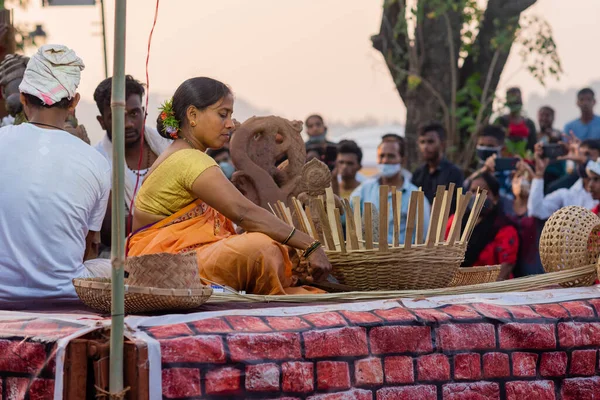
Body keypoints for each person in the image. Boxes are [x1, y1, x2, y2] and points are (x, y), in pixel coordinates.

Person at [128, 77, 331, 295]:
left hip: (171, 260)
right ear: (193, 115)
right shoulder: (188, 159)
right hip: (168, 266)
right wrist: (309, 244)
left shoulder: (182, 154)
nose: (230, 124)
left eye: (231, 116)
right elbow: (243, 212)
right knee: (261, 247)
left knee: (270, 244)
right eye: (222, 114)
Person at [0, 45, 111, 304]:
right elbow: (89, 247)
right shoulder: (96, 161)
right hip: (67, 296)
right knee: (111, 267)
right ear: (73, 102)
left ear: (23, 98)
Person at [93, 75, 170, 245]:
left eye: (134, 113)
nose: (128, 124)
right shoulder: (97, 162)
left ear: (144, 112)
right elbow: (109, 231)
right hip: (124, 256)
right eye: (117, 116)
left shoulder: (169, 145)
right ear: (102, 122)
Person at [351, 137, 430, 244]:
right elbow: (346, 215)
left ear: (402, 160)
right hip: (369, 257)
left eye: (391, 156)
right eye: (381, 156)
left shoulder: (415, 196)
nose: (385, 160)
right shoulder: (365, 188)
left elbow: (424, 237)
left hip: (402, 258)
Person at [446, 172, 519, 280]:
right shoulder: (455, 221)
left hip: (490, 290)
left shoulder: (504, 229)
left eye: (483, 192)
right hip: (457, 287)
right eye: (473, 191)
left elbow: (505, 269)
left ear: (495, 198)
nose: (476, 196)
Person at [528, 142, 598, 220]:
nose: (579, 158)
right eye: (578, 153)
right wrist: (539, 173)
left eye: (587, 155)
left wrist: (588, 163)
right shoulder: (567, 194)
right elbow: (536, 211)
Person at [411, 121, 463, 212]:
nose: (425, 147)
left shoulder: (454, 173)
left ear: (442, 144)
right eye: (422, 142)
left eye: (430, 142)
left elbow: (457, 206)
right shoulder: (418, 173)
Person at [504, 163, 544, 277]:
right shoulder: (505, 204)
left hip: (533, 266)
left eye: (527, 179)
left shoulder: (539, 207)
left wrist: (532, 172)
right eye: (518, 178)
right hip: (508, 266)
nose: (521, 182)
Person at [466, 125, 512, 197]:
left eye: (490, 146)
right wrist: (484, 170)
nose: (484, 149)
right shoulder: (470, 170)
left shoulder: (509, 175)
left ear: (503, 149)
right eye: (481, 145)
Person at [495, 87, 537, 153]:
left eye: (517, 99)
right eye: (512, 98)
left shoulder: (529, 123)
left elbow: (533, 145)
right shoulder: (501, 121)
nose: (515, 102)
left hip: (525, 159)